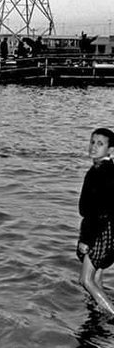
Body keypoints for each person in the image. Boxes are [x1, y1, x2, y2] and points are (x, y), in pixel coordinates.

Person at [77, 127, 114, 315]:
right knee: (97, 279)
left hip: (100, 231)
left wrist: (87, 240)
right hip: (108, 230)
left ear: (110, 150)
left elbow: (97, 211)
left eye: (100, 144)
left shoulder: (100, 173)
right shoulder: (106, 169)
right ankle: (98, 315)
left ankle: (111, 313)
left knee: (86, 280)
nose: (93, 147)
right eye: (92, 142)